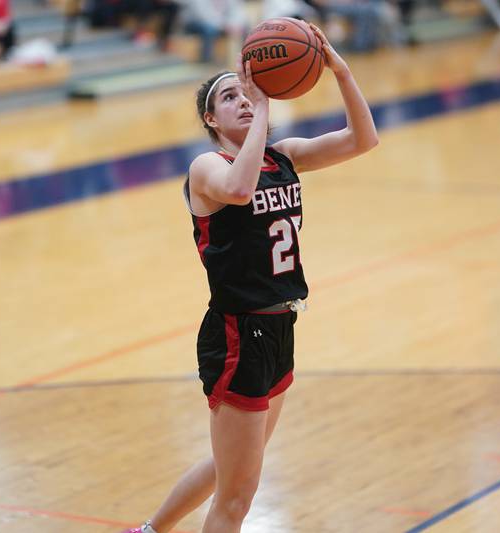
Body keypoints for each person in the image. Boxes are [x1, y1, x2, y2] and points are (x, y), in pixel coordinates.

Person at [123, 23, 378, 533]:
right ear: (209, 119)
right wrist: (264, 104)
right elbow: (239, 190)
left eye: (247, 92)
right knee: (237, 497)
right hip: (238, 333)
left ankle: (151, 531)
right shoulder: (206, 167)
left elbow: (362, 139)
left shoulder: (284, 157)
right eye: (230, 97)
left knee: (234, 466)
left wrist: (339, 69)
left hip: (279, 327)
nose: (243, 100)